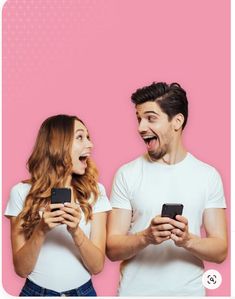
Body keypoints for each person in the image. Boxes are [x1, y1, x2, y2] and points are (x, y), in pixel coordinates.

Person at [106, 82, 228, 296]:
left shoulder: (208, 176)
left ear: (177, 122)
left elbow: (220, 251)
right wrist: (146, 237)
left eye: (151, 118)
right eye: (139, 119)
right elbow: (112, 249)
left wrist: (188, 240)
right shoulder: (127, 174)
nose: (141, 127)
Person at [5, 114, 111, 297]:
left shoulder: (95, 192)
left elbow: (97, 266)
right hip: (35, 292)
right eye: (80, 137)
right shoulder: (21, 193)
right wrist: (41, 229)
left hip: (83, 292)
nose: (90, 144)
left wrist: (76, 231)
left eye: (88, 137)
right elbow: (21, 269)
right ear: (58, 145)